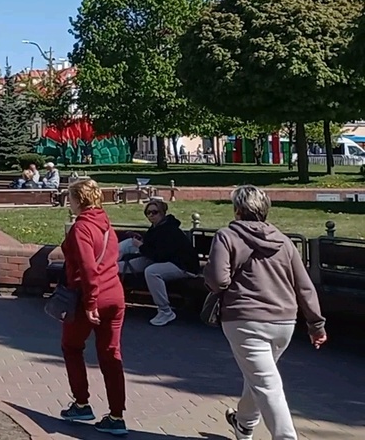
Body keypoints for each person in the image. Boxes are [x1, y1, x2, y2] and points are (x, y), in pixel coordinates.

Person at [204, 185, 327, 440]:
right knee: (260, 376)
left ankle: (285, 437)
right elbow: (304, 286)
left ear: (237, 209)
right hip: (284, 321)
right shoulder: (283, 240)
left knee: (266, 383)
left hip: (244, 319)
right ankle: (244, 423)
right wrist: (316, 325)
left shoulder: (227, 236)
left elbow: (217, 280)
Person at [59, 178, 128, 436]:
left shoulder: (81, 228)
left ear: (79, 200)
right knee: (111, 354)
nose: (70, 202)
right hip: (115, 295)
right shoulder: (106, 223)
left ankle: (81, 403)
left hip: (89, 297)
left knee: (72, 346)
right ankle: (117, 415)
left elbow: (88, 268)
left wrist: (89, 302)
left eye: (71, 198)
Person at [116, 198, 200, 326]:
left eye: (154, 212)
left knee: (152, 272)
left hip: (183, 265)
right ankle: (107, 264)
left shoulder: (169, 230)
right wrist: (139, 243)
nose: (151, 215)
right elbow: (152, 251)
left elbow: (160, 255)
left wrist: (140, 246)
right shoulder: (156, 228)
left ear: (162, 213)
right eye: (148, 213)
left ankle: (165, 311)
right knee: (125, 252)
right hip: (162, 260)